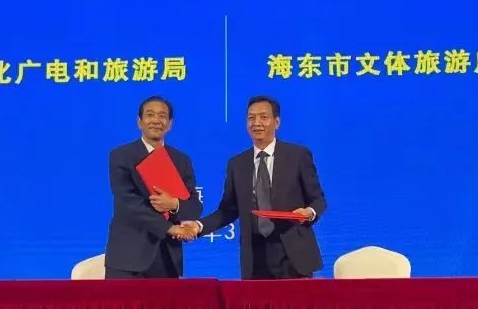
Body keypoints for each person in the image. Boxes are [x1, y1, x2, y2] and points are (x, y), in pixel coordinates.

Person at [182, 95, 326, 279]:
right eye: (251, 118)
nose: (256, 123)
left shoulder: (298, 155)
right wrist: (198, 225)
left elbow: (318, 199)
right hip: (255, 256)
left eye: (263, 117)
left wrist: (309, 212)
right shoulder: (237, 164)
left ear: (277, 122)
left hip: (294, 254)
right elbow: (228, 210)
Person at [104, 96, 201, 279]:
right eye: (150, 115)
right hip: (127, 259)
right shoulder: (121, 155)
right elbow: (128, 203)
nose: (156, 120)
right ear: (139, 121)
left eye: (162, 116)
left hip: (167, 258)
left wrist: (174, 204)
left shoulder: (181, 160)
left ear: (170, 124)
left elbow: (194, 207)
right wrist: (170, 228)